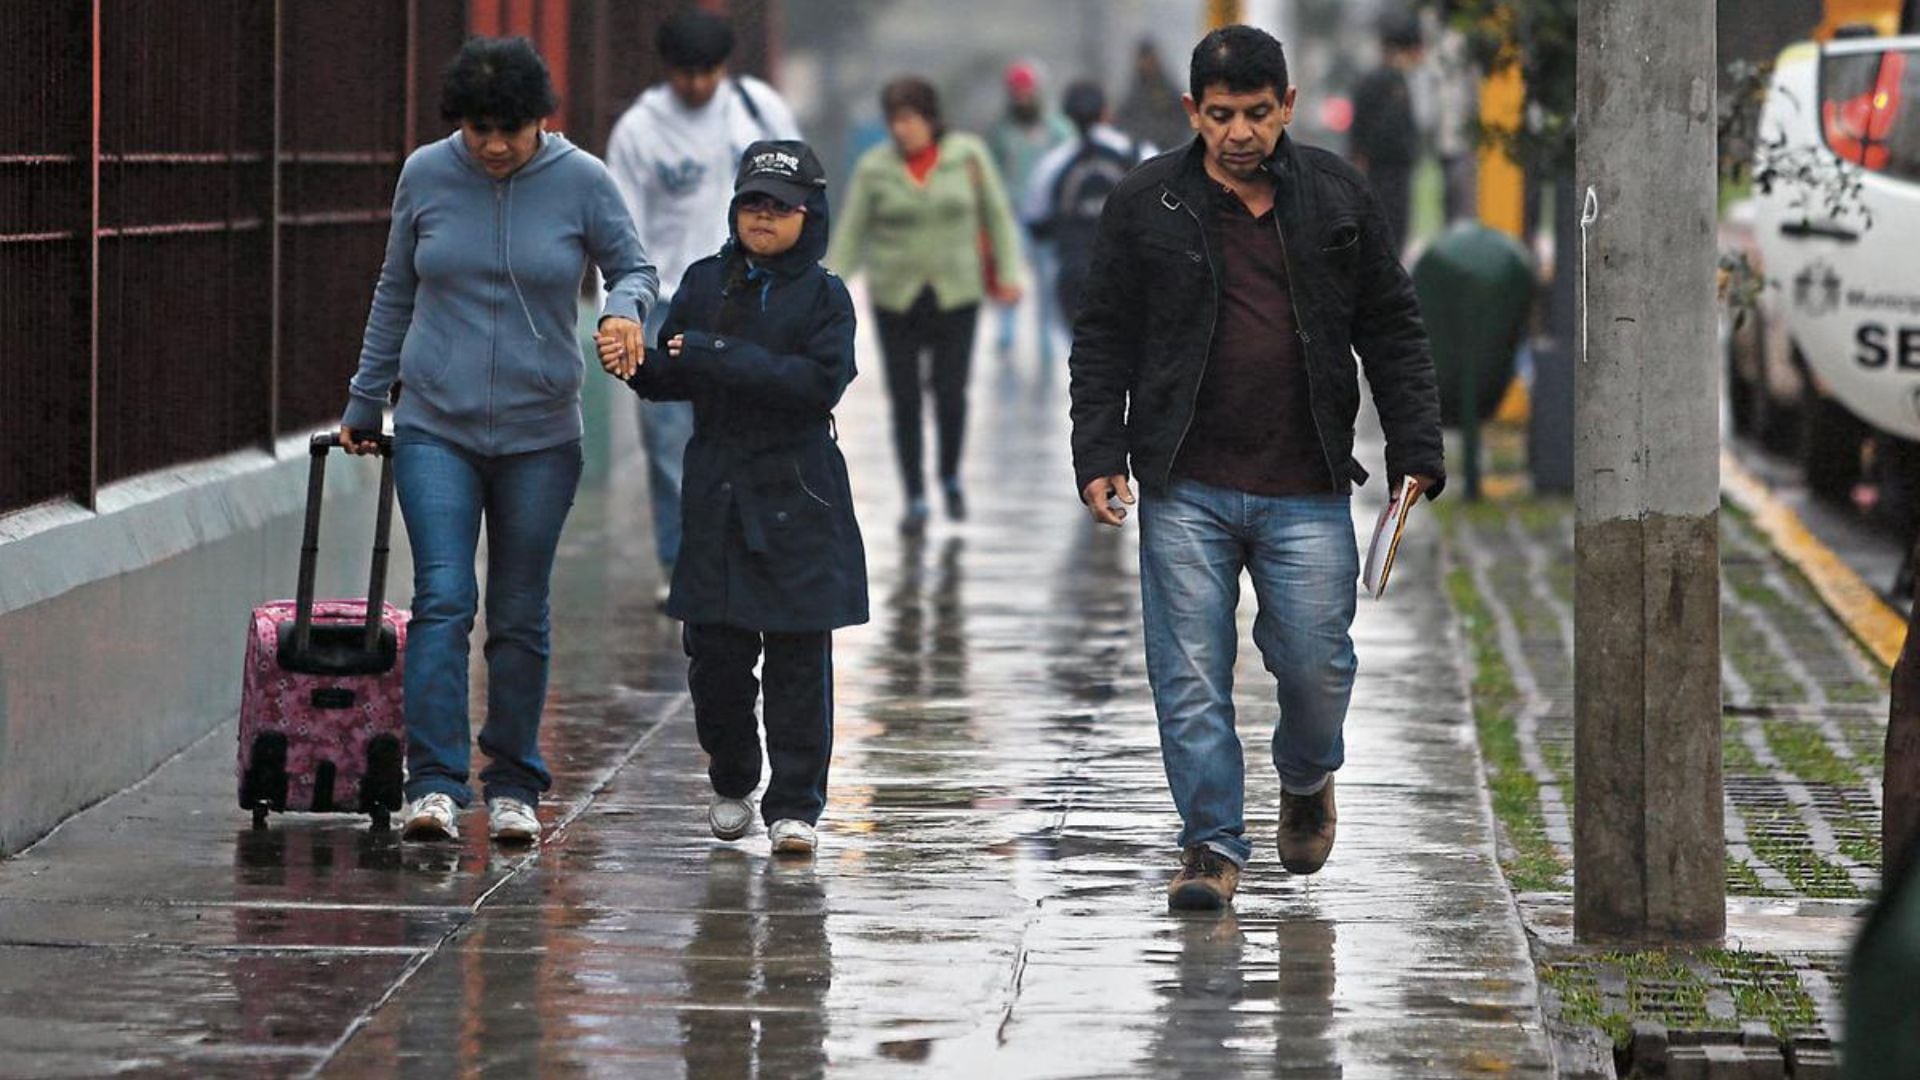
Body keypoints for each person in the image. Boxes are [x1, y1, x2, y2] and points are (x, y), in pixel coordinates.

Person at [1068, 25, 1445, 910]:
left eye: (1259, 114)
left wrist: (1414, 450)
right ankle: (1210, 847)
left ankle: (1308, 777)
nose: (1240, 133)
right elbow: (1104, 336)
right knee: (1189, 673)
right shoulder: (1145, 203)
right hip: (1183, 483)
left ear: (1290, 108)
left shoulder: (1337, 198)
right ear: (1194, 112)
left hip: (1307, 484)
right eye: (1223, 115)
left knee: (1317, 665)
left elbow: (1391, 326)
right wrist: (1098, 452)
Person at [339, 37, 657, 845]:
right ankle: (435, 783)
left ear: (539, 121)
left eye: (509, 130)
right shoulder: (426, 174)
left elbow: (634, 267)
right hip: (435, 425)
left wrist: (623, 311)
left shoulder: (582, 180)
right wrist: (365, 401)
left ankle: (514, 781)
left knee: (519, 610)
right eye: (478, 128)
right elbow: (394, 288)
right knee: (444, 598)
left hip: (540, 434)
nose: (492, 145)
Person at [601, 140, 866, 857]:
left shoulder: (826, 296)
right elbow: (673, 371)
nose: (763, 218)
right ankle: (733, 774)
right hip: (717, 490)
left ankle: (795, 806)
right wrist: (635, 363)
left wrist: (717, 356)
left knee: (798, 660)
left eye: (779, 207)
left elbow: (816, 383)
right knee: (713, 657)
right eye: (752, 203)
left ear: (809, 215)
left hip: (799, 490)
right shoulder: (705, 281)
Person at [605, 9, 800, 607]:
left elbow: (800, 194)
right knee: (670, 446)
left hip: (753, 299)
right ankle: (683, 564)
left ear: (725, 66)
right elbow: (619, 225)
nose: (697, 85)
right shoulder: (639, 130)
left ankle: (755, 552)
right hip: (669, 304)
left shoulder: (757, 110)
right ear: (667, 71)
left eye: (707, 72)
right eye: (686, 74)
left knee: (758, 429)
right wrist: (623, 310)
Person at [826, 77, 1025, 537]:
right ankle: (915, 494)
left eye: (909, 119)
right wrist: (829, 284)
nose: (901, 129)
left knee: (950, 391)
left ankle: (950, 475)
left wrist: (1010, 274)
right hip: (895, 296)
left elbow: (995, 214)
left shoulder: (967, 156)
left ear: (930, 119)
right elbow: (853, 230)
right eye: (893, 120)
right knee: (905, 399)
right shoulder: (875, 168)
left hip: (957, 293)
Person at [1022, 80, 1154, 327]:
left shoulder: (1053, 164)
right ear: (1106, 111)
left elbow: (1034, 222)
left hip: (1077, 281)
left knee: (1090, 359)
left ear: (1066, 117)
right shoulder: (1139, 153)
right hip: (1135, 276)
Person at [985, 62, 1073, 364]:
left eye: (1027, 91)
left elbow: (1069, 165)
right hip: (1012, 212)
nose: (1022, 97)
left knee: (1047, 277)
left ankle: (1046, 337)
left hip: (1047, 217)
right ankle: (1006, 333)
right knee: (1009, 272)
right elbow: (990, 170)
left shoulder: (1057, 129)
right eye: (1017, 92)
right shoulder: (1001, 131)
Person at [1348, 11, 1425, 254]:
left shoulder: (1379, 80)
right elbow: (1379, 134)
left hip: (1384, 172)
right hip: (1386, 172)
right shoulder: (1389, 83)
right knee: (1389, 234)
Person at [1116, 39, 1195, 159]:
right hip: (1141, 151)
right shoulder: (1135, 91)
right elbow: (1124, 119)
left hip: (1168, 148)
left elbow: (1184, 115)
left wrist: (1167, 133)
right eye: (1143, 60)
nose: (1146, 64)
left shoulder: (1168, 88)